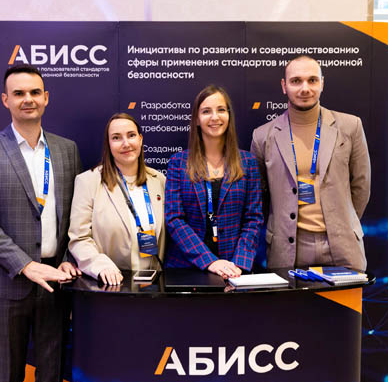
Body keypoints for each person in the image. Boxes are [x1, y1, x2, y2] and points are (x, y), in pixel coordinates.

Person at [0, 64, 83, 382]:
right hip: (6, 285)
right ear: (6, 100)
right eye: (19, 93)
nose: (27, 99)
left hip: (56, 283)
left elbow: (75, 215)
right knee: (8, 378)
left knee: (51, 376)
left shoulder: (67, 149)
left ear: (46, 98)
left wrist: (68, 259)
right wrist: (26, 265)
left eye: (34, 92)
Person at [251, 55, 371, 271]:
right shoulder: (263, 136)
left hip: (343, 245)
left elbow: (361, 185)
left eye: (312, 80)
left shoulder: (350, 126)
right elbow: (260, 196)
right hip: (287, 249)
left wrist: (343, 221)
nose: (304, 88)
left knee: (346, 296)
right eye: (296, 81)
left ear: (322, 83)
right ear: (284, 86)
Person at [165, 84, 263, 278]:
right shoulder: (178, 162)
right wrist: (209, 261)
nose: (215, 117)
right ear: (197, 119)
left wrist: (239, 263)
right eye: (206, 111)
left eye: (221, 110)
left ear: (229, 115)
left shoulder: (248, 162)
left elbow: (253, 218)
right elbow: (174, 219)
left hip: (234, 269)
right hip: (187, 268)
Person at [68, 113, 166, 285]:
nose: (126, 143)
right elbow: (79, 239)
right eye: (116, 138)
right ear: (108, 144)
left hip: (154, 287)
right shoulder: (88, 181)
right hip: (111, 285)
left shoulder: (159, 181)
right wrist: (101, 267)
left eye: (131, 135)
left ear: (140, 139)